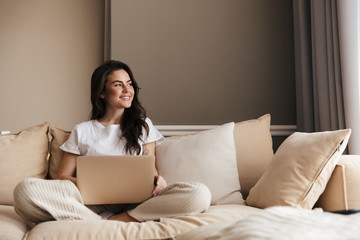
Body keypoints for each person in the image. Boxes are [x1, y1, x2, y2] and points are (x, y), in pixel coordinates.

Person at [13, 60, 211, 224]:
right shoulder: (82, 130)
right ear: (102, 92)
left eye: (129, 84)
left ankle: (120, 218)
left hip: (138, 202)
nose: (127, 90)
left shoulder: (143, 125)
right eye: (118, 85)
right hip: (91, 202)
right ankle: (95, 219)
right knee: (25, 190)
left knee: (200, 194)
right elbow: (62, 175)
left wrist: (158, 180)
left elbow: (150, 168)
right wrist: (91, 185)